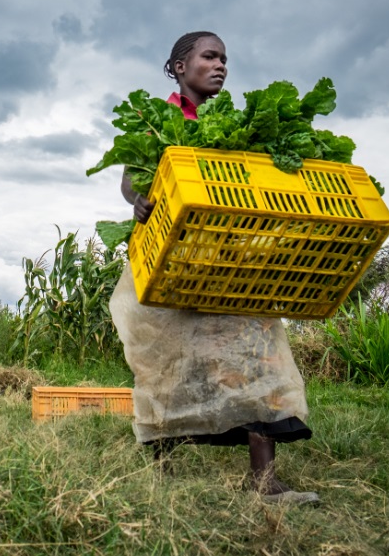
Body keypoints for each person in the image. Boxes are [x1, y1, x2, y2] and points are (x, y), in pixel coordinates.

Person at [110, 31, 318, 505]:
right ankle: (160, 475)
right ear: (180, 67)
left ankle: (265, 483)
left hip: (229, 261)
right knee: (166, 361)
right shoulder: (157, 120)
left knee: (256, 356)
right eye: (210, 56)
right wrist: (140, 200)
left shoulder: (238, 124)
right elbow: (129, 179)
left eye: (224, 58)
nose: (220, 65)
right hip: (172, 258)